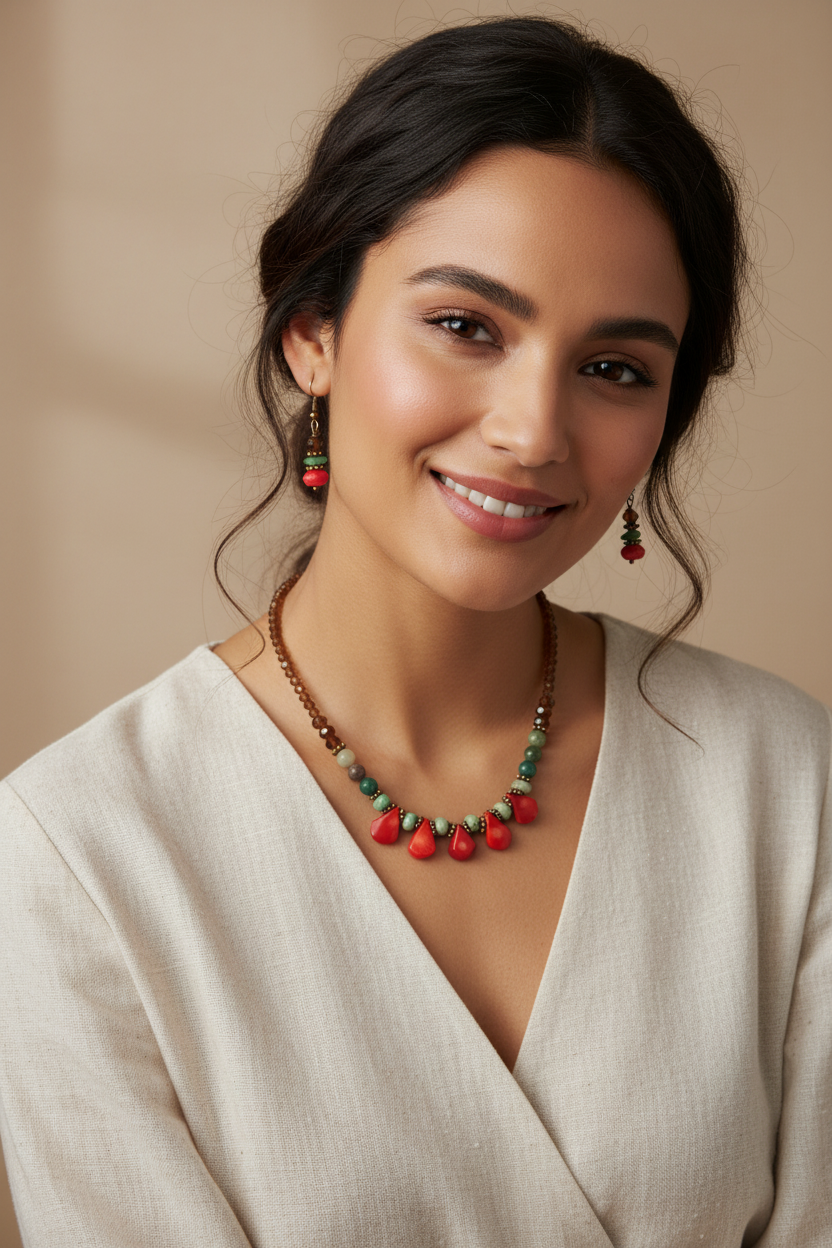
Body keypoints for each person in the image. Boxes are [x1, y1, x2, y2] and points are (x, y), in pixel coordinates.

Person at [0, 15, 828, 1247]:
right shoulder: (77, 856)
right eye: (466, 326)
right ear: (312, 334)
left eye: (614, 369)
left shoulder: (783, 779)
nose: (532, 430)